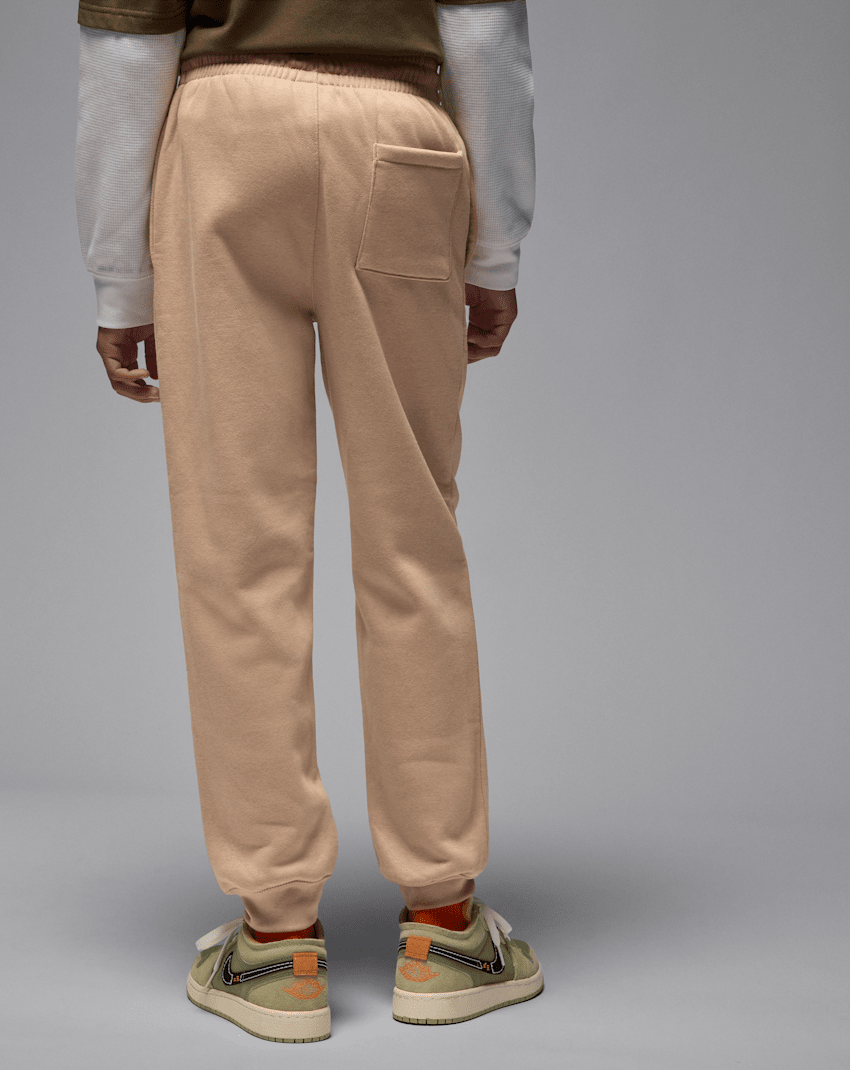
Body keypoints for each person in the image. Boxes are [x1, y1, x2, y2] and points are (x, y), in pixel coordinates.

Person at [75, 0, 541, 1043]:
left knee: (235, 547)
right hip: (396, 141)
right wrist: (495, 250)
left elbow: (126, 50)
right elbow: (482, 33)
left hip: (223, 143)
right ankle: (445, 931)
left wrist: (119, 276)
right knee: (413, 539)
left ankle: (276, 942)